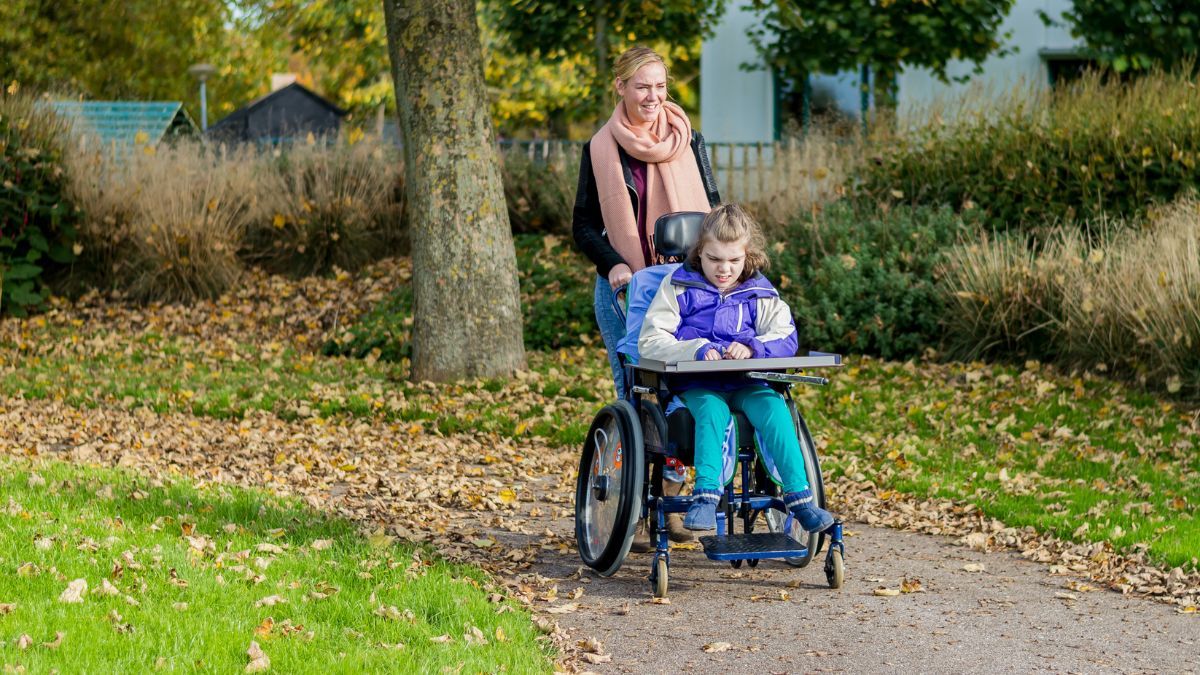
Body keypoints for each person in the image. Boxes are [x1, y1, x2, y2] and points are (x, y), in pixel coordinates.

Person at [572, 46, 720, 548]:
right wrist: (613, 262)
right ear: (620, 87)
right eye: (642, 86)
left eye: (660, 86)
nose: (653, 96)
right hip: (627, 289)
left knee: (684, 390)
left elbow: (714, 210)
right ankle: (632, 510)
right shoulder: (601, 149)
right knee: (636, 394)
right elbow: (583, 225)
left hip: (688, 289)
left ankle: (673, 504)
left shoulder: (688, 139)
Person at [637, 204, 836, 533]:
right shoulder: (678, 286)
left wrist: (754, 346)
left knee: (774, 408)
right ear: (699, 252)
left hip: (747, 382)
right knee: (712, 411)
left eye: (734, 260)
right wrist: (697, 348)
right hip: (697, 385)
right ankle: (705, 497)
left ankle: (800, 500)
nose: (724, 269)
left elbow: (785, 336)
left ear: (748, 255)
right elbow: (651, 340)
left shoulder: (760, 291)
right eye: (714, 259)